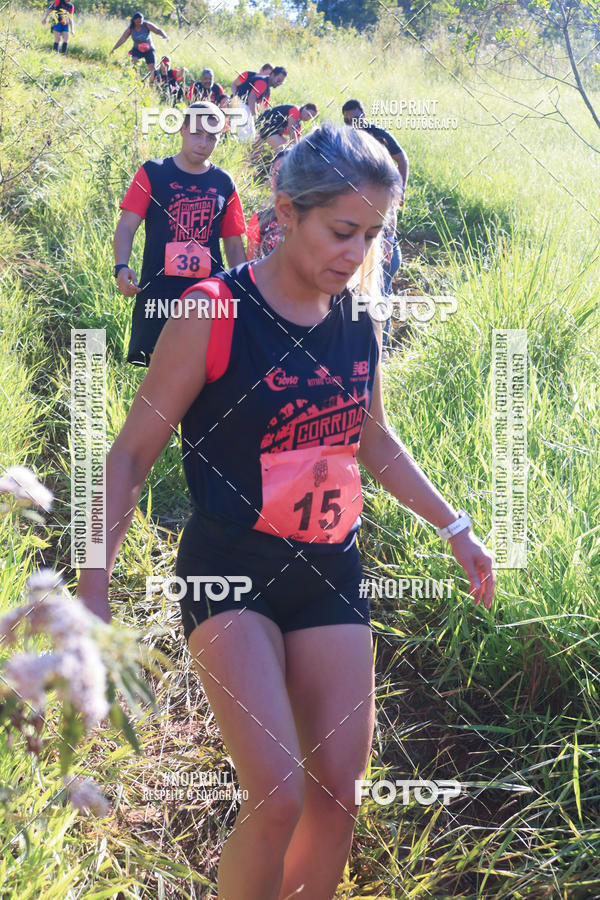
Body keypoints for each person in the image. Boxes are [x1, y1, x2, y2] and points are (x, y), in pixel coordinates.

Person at [78, 122, 496, 899]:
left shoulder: (358, 320)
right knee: (277, 794)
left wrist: (456, 527)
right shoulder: (213, 311)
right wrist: (93, 585)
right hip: (229, 564)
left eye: (372, 234)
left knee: (339, 793)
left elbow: (375, 441)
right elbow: (130, 454)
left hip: (330, 567)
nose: (356, 253)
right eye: (342, 230)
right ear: (285, 212)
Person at [113, 102, 246, 366]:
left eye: (212, 137)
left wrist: (246, 289)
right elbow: (127, 225)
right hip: (159, 292)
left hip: (208, 294)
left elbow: (233, 244)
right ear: (182, 129)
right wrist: (121, 266)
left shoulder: (224, 182)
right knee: (159, 369)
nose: (203, 143)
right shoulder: (153, 172)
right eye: (197, 133)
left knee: (204, 372)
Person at [342, 99, 409, 348]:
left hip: (383, 245)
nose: (353, 124)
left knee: (379, 294)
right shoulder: (348, 144)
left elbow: (402, 159)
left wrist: (401, 190)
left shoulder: (379, 138)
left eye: (356, 119)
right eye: (348, 121)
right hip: (358, 243)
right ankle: (359, 346)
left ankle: (381, 349)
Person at [245, 149, 290, 260]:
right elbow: (250, 266)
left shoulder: (311, 218)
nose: (280, 179)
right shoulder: (258, 220)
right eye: (276, 173)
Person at [109, 11, 168, 83]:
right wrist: (114, 48)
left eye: (141, 22)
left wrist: (164, 35)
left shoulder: (146, 25)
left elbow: (158, 30)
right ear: (134, 21)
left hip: (149, 50)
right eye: (137, 22)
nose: (139, 23)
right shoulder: (131, 29)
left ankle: (152, 83)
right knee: (134, 62)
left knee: (152, 68)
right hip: (137, 50)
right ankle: (137, 80)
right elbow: (123, 38)